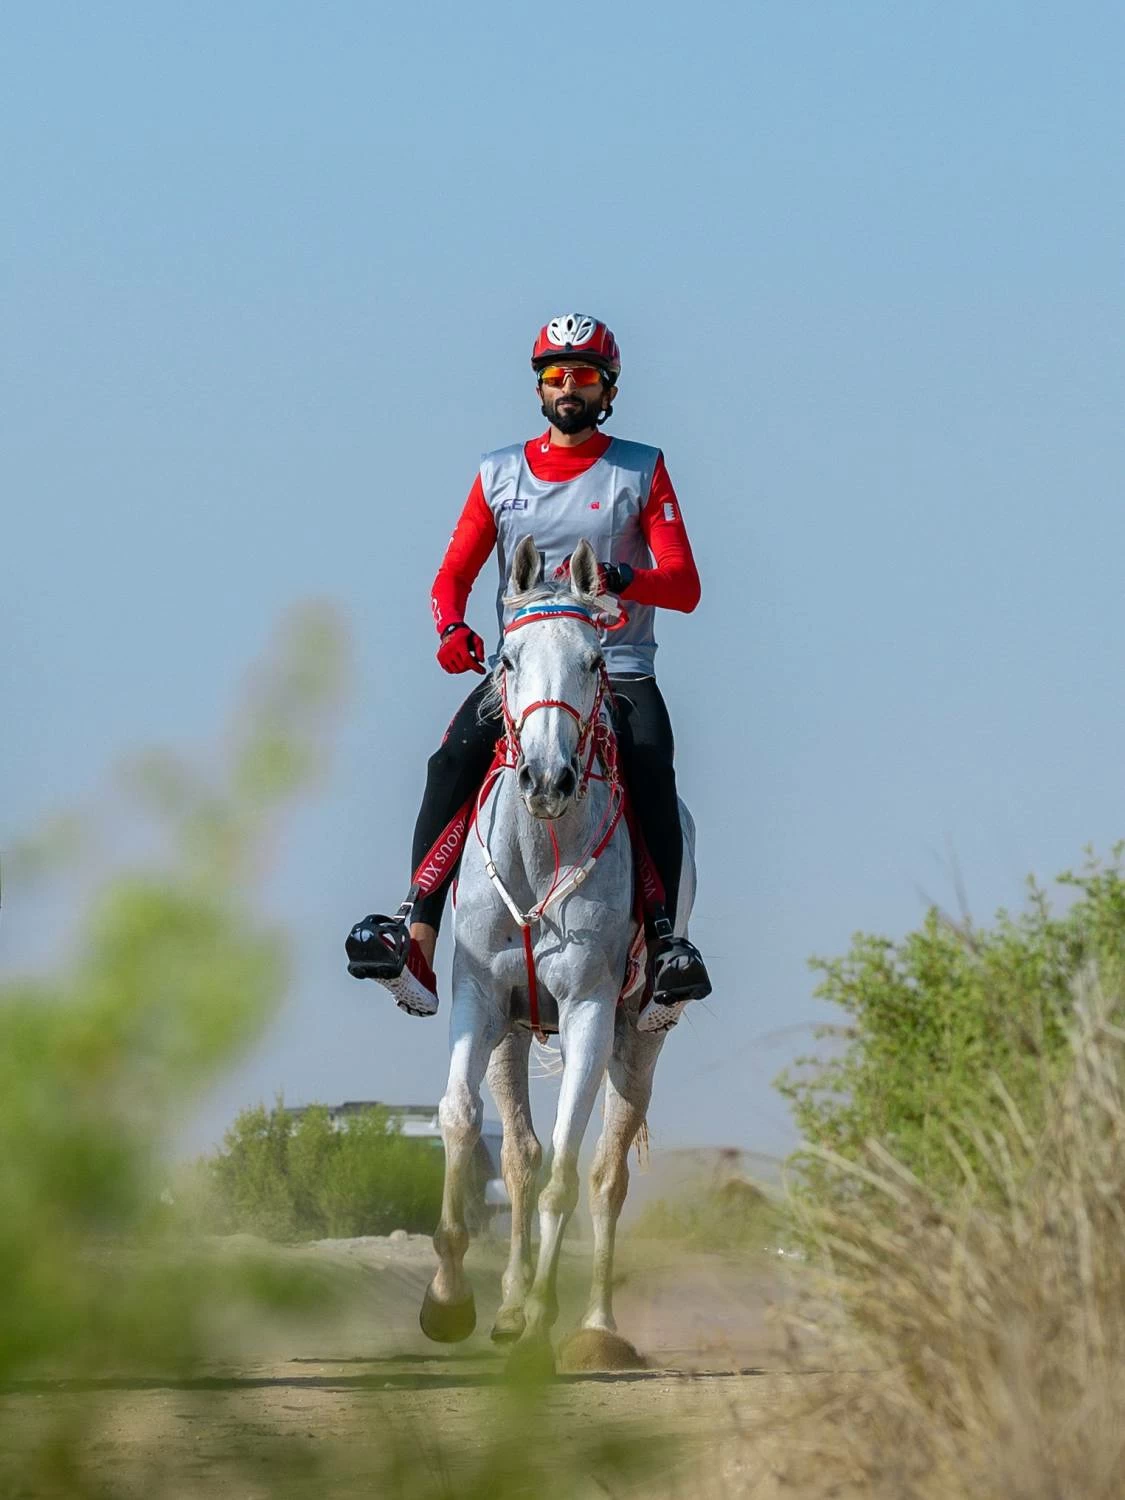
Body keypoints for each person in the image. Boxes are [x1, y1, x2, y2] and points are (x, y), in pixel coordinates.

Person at [346, 313, 711, 1031]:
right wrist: (449, 627)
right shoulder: (499, 472)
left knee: (650, 767)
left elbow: (684, 584)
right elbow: (452, 572)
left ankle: (667, 944)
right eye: (553, 376)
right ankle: (414, 935)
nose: (566, 388)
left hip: (615, 665)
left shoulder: (640, 468)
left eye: (581, 376)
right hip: (523, 668)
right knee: (449, 759)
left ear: (607, 388)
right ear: (538, 387)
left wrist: (620, 576)